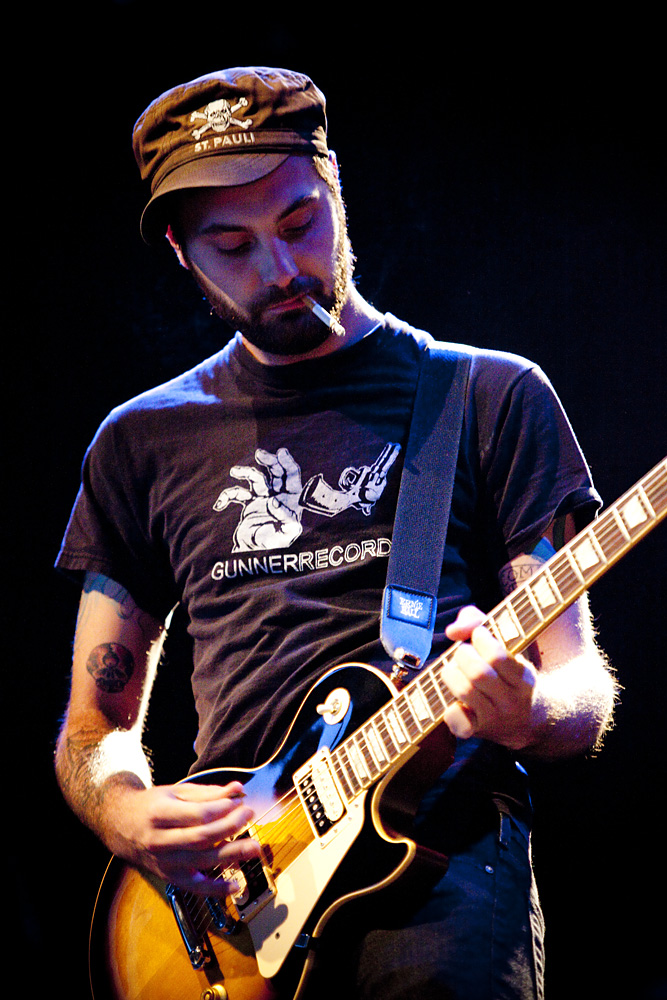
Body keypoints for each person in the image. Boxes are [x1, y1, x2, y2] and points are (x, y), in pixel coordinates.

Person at [54, 67, 617, 999]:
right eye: (232, 245)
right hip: (229, 900)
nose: (279, 269)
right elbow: (94, 726)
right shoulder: (140, 441)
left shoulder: (487, 394)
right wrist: (121, 808)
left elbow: (579, 683)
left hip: (436, 863)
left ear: (335, 189)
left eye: (299, 222)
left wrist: (531, 713)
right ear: (181, 251)